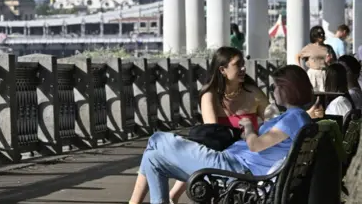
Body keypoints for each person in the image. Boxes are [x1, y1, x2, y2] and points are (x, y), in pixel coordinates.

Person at [128, 67, 309, 204]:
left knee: (157, 139)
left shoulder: (294, 118)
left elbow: (256, 146)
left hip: (235, 169)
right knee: (153, 158)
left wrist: (248, 126)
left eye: (276, 86)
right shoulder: (296, 117)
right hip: (233, 165)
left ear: (287, 89)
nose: (273, 91)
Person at [168, 46, 269, 203]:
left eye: (243, 63)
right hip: (222, 154)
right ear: (222, 70)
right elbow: (213, 135)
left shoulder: (253, 93)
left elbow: (273, 120)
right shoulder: (210, 95)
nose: (243, 68)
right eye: (238, 64)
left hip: (249, 154)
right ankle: (172, 195)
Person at [295, 25, 334, 91]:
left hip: (325, 73)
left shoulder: (328, 48)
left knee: (325, 95)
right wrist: (300, 68)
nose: (322, 35)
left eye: (323, 33)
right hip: (312, 74)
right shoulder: (309, 47)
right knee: (312, 94)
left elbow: (333, 61)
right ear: (314, 35)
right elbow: (297, 56)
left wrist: (329, 61)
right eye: (319, 34)